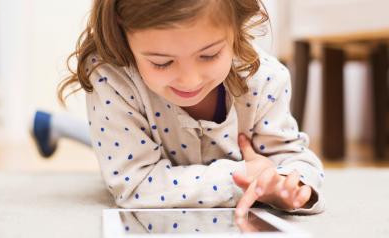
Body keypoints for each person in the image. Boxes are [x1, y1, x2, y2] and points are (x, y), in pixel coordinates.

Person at [51, 0, 325, 216]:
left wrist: (290, 186)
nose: (189, 81)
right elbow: (134, 184)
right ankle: (56, 124)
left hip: (150, 144)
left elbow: (295, 160)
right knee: (113, 146)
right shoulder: (112, 76)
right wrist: (239, 178)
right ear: (124, 36)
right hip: (135, 136)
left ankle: (53, 125)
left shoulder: (266, 79)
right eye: (161, 62)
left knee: (113, 143)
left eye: (209, 55)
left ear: (236, 27)